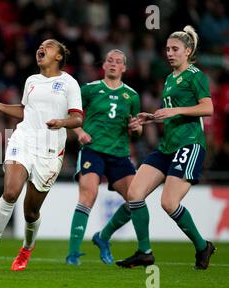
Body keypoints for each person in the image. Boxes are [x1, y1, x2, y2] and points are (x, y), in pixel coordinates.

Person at [0, 39, 83, 271]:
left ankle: (26, 248)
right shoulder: (31, 81)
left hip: (50, 150)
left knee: (31, 211)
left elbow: (78, 118)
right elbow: (25, 111)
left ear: (58, 57)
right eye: (40, 46)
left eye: (48, 46)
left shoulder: (69, 83)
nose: (41, 48)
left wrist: (62, 122)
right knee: (11, 191)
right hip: (24, 140)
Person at [117, 25, 215, 269]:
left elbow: (207, 108)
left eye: (175, 49)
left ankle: (203, 247)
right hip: (167, 146)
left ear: (188, 51)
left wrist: (176, 110)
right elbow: (173, 114)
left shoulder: (196, 75)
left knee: (169, 203)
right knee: (135, 194)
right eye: (168, 49)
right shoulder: (170, 79)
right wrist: (153, 117)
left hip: (189, 145)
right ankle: (144, 252)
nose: (169, 53)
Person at [65, 49, 142, 266]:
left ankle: (103, 236)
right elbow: (70, 116)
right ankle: (73, 254)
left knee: (136, 200)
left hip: (119, 154)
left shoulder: (132, 96)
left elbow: (136, 131)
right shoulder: (89, 89)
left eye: (118, 62)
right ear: (104, 65)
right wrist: (80, 133)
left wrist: (136, 128)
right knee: (88, 195)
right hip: (93, 150)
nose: (113, 64)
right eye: (110, 60)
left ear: (124, 68)